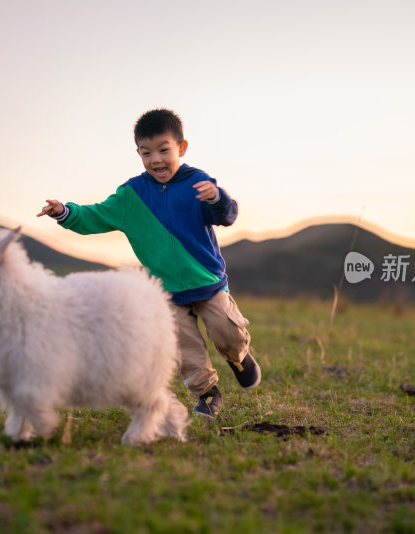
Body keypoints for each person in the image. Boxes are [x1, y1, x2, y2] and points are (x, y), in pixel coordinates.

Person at [37, 108, 260, 418]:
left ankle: (239, 357)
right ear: (138, 153)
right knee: (184, 348)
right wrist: (64, 212)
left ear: (181, 148)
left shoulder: (198, 182)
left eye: (163, 150)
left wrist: (216, 197)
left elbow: (228, 215)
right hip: (165, 289)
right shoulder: (132, 195)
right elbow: (95, 215)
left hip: (207, 282)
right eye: (146, 153)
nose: (156, 159)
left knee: (227, 332)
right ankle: (206, 393)